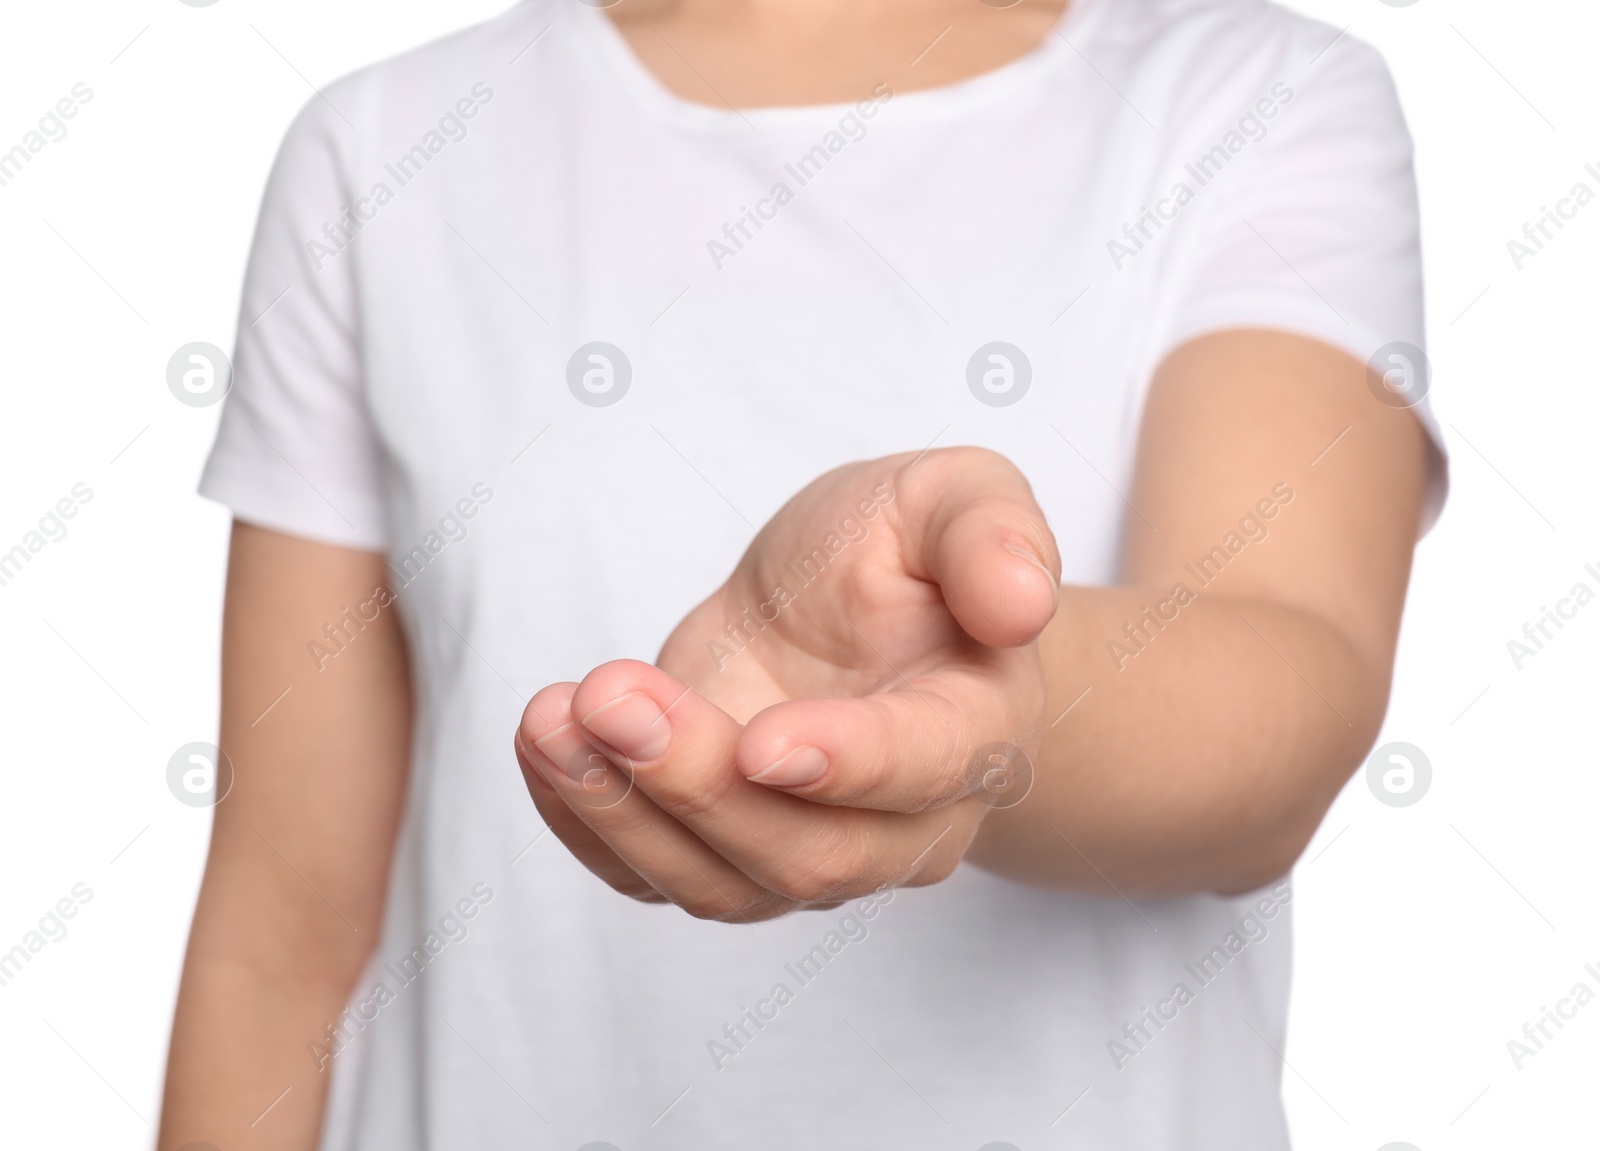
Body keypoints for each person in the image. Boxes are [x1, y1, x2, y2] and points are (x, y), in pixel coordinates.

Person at [160, 0, 1447, 1146]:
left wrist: (985, 703)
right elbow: (282, 940)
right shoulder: (385, 148)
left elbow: (1284, 677)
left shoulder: (1254, 97)